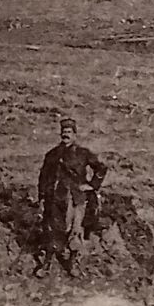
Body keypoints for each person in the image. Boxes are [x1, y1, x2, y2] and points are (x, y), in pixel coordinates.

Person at [35, 118, 108, 278]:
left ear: (75, 135)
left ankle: (73, 263)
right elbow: (43, 177)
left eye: (69, 132)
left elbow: (101, 168)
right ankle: (46, 265)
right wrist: (41, 196)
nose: (65, 135)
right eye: (64, 132)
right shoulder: (52, 155)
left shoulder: (83, 153)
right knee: (53, 231)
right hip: (55, 200)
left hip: (77, 199)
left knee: (76, 231)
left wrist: (92, 185)